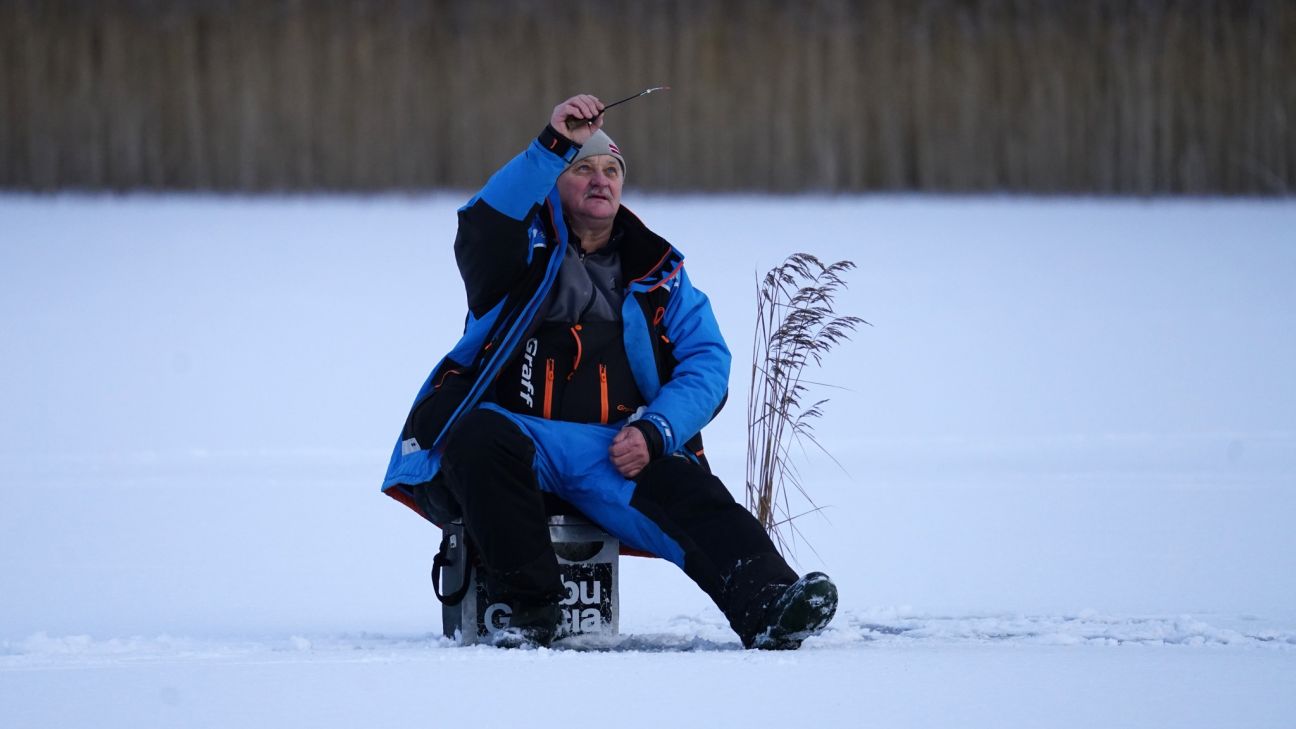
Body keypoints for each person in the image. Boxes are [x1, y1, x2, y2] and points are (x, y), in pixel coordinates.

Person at [381, 94, 837, 649]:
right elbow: (483, 220)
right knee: (475, 437)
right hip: (524, 442)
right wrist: (553, 145)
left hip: (615, 451)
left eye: (612, 170)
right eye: (583, 168)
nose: (601, 181)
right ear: (554, 180)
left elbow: (708, 362)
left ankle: (769, 605)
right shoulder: (512, 256)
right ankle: (530, 614)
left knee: (694, 494)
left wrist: (657, 431)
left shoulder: (661, 273)